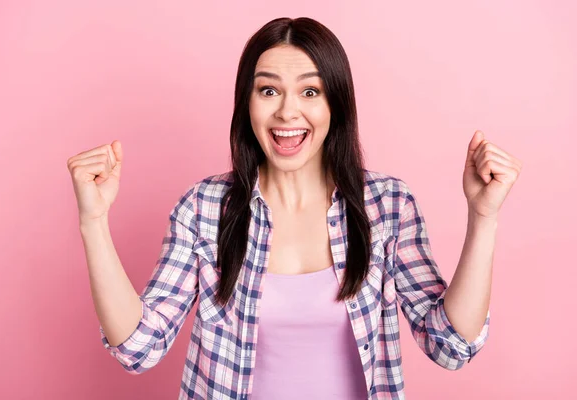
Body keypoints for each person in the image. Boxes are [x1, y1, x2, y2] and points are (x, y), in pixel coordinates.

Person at [67, 16, 522, 400]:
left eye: (310, 92)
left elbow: (451, 344)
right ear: (247, 103)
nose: (288, 112)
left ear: (336, 104)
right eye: (268, 91)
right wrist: (93, 221)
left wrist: (484, 217)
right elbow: (138, 347)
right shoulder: (204, 209)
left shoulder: (387, 206)